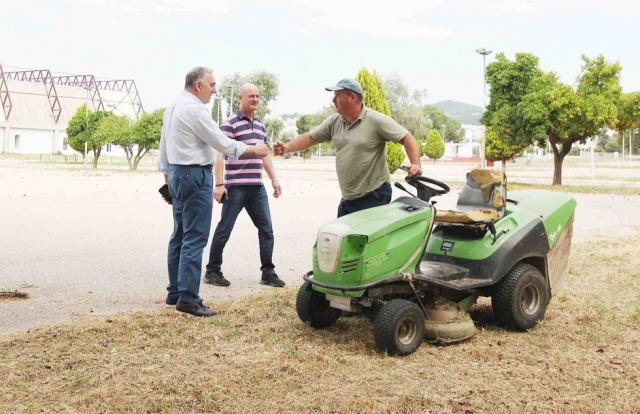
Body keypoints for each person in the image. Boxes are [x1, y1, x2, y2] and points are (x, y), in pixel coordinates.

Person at [158, 67, 268, 317]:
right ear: (198, 85)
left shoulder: (172, 107)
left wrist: (167, 176)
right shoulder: (196, 110)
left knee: (179, 234)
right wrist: (254, 150)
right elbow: (222, 143)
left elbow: (164, 146)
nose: (215, 90)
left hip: (177, 173)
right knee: (195, 237)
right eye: (212, 85)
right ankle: (188, 298)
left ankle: (175, 291)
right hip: (195, 174)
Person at [273, 78, 422, 217]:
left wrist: (416, 164)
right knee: (341, 239)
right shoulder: (334, 122)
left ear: (352, 97)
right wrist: (286, 147)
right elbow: (311, 138)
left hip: (374, 195)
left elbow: (407, 138)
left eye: (337, 95)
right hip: (348, 198)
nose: (333, 99)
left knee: (363, 242)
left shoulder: (375, 120)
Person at [203, 83, 285, 288]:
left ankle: (268, 272)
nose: (255, 99)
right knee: (225, 229)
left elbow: (264, 154)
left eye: (258, 96)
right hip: (236, 186)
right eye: (251, 96)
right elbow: (220, 154)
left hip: (256, 187)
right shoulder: (230, 123)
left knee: (267, 230)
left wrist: (274, 179)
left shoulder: (260, 124)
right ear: (241, 97)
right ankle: (212, 271)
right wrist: (220, 184)